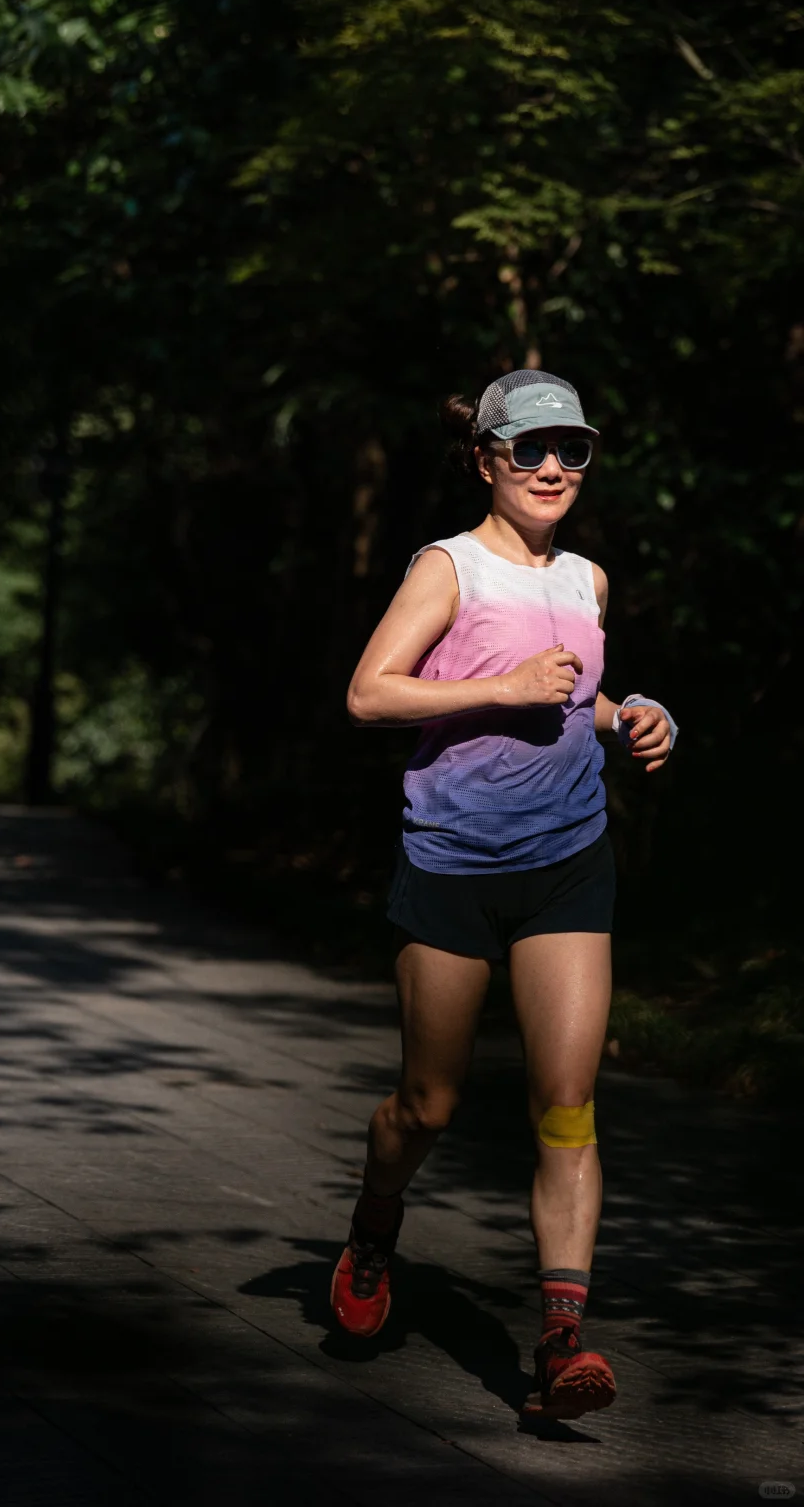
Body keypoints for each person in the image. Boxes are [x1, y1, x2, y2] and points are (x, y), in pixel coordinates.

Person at [330, 370, 677, 1421]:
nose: (553, 469)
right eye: (529, 450)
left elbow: (575, 692)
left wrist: (630, 716)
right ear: (485, 458)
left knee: (566, 1107)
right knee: (425, 1105)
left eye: (572, 449)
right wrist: (501, 688)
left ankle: (562, 1340)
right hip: (449, 867)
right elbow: (368, 693)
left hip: (569, 865)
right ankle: (375, 1225)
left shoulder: (589, 580)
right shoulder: (450, 567)